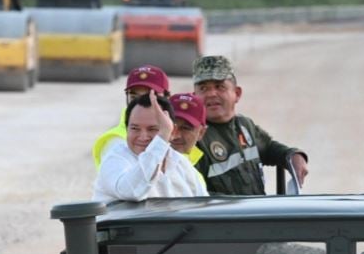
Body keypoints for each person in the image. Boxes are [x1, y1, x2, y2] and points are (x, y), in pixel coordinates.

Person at [192, 55, 309, 195]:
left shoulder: (244, 126)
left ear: (237, 93)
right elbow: (195, 195)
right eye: (203, 89)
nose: (211, 94)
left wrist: (293, 155)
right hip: (224, 216)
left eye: (219, 87)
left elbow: (269, 148)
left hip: (255, 214)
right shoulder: (193, 138)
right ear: (194, 96)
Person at [92, 90, 207, 202]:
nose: (143, 137)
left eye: (153, 129)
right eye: (135, 128)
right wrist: (161, 137)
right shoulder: (115, 159)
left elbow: (204, 208)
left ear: (173, 131)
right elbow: (131, 192)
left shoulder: (180, 163)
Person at [93, 66, 204, 169]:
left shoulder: (170, 135)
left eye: (150, 98)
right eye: (133, 97)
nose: (140, 103)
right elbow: (132, 186)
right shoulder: (117, 142)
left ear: (167, 98)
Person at [167, 93, 207, 158]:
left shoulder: (205, 163)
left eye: (185, 128)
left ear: (201, 133)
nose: (176, 136)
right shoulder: (147, 158)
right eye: (171, 126)